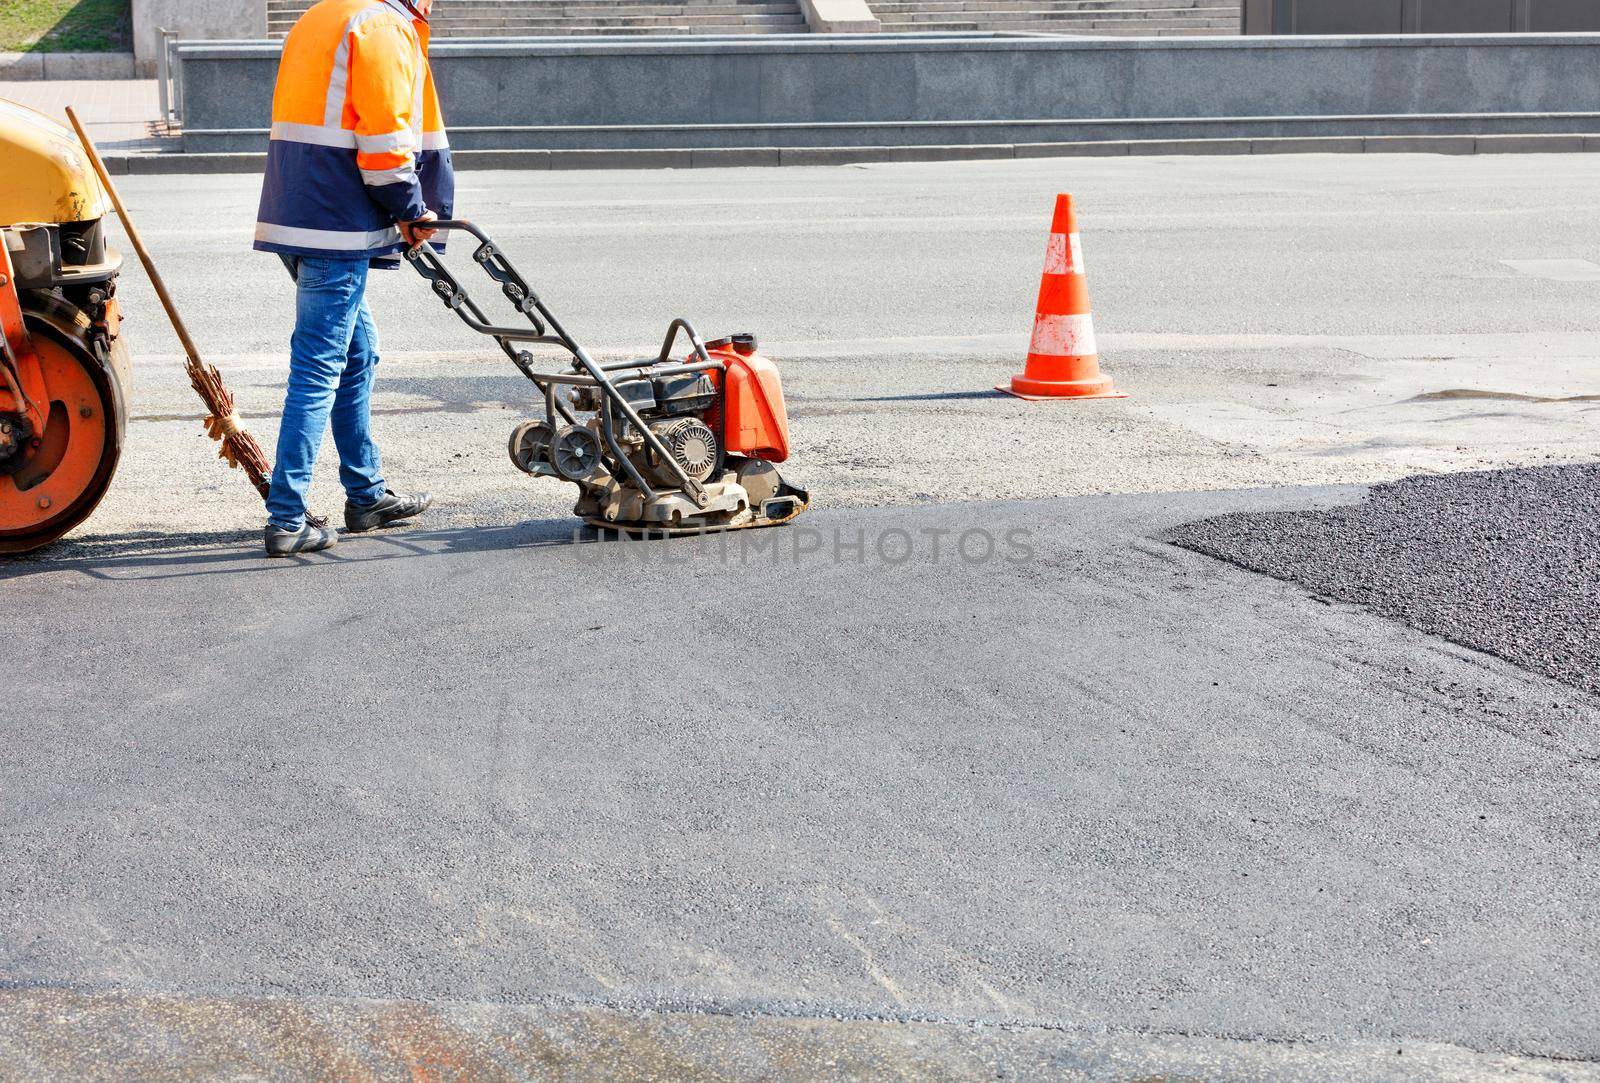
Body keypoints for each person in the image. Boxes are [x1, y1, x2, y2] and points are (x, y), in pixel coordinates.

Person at [253, 0, 453, 557]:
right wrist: (412, 208)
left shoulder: (323, 14)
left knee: (357, 352)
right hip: (335, 223)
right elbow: (386, 140)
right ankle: (287, 518)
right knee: (318, 364)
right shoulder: (382, 25)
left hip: (298, 212)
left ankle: (365, 494)